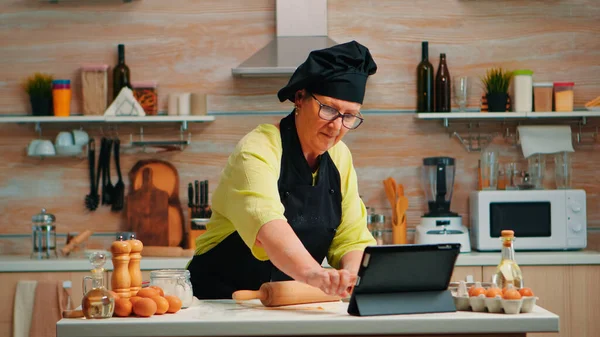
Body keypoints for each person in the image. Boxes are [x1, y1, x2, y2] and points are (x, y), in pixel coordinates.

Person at [187, 40, 378, 300]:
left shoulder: (339, 157)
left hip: (285, 304)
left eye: (349, 116)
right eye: (329, 109)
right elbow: (268, 227)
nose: (337, 126)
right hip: (216, 303)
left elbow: (352, 238)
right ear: (300, 98)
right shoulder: (257, 149)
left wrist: (351, 276)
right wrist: (314, 274)